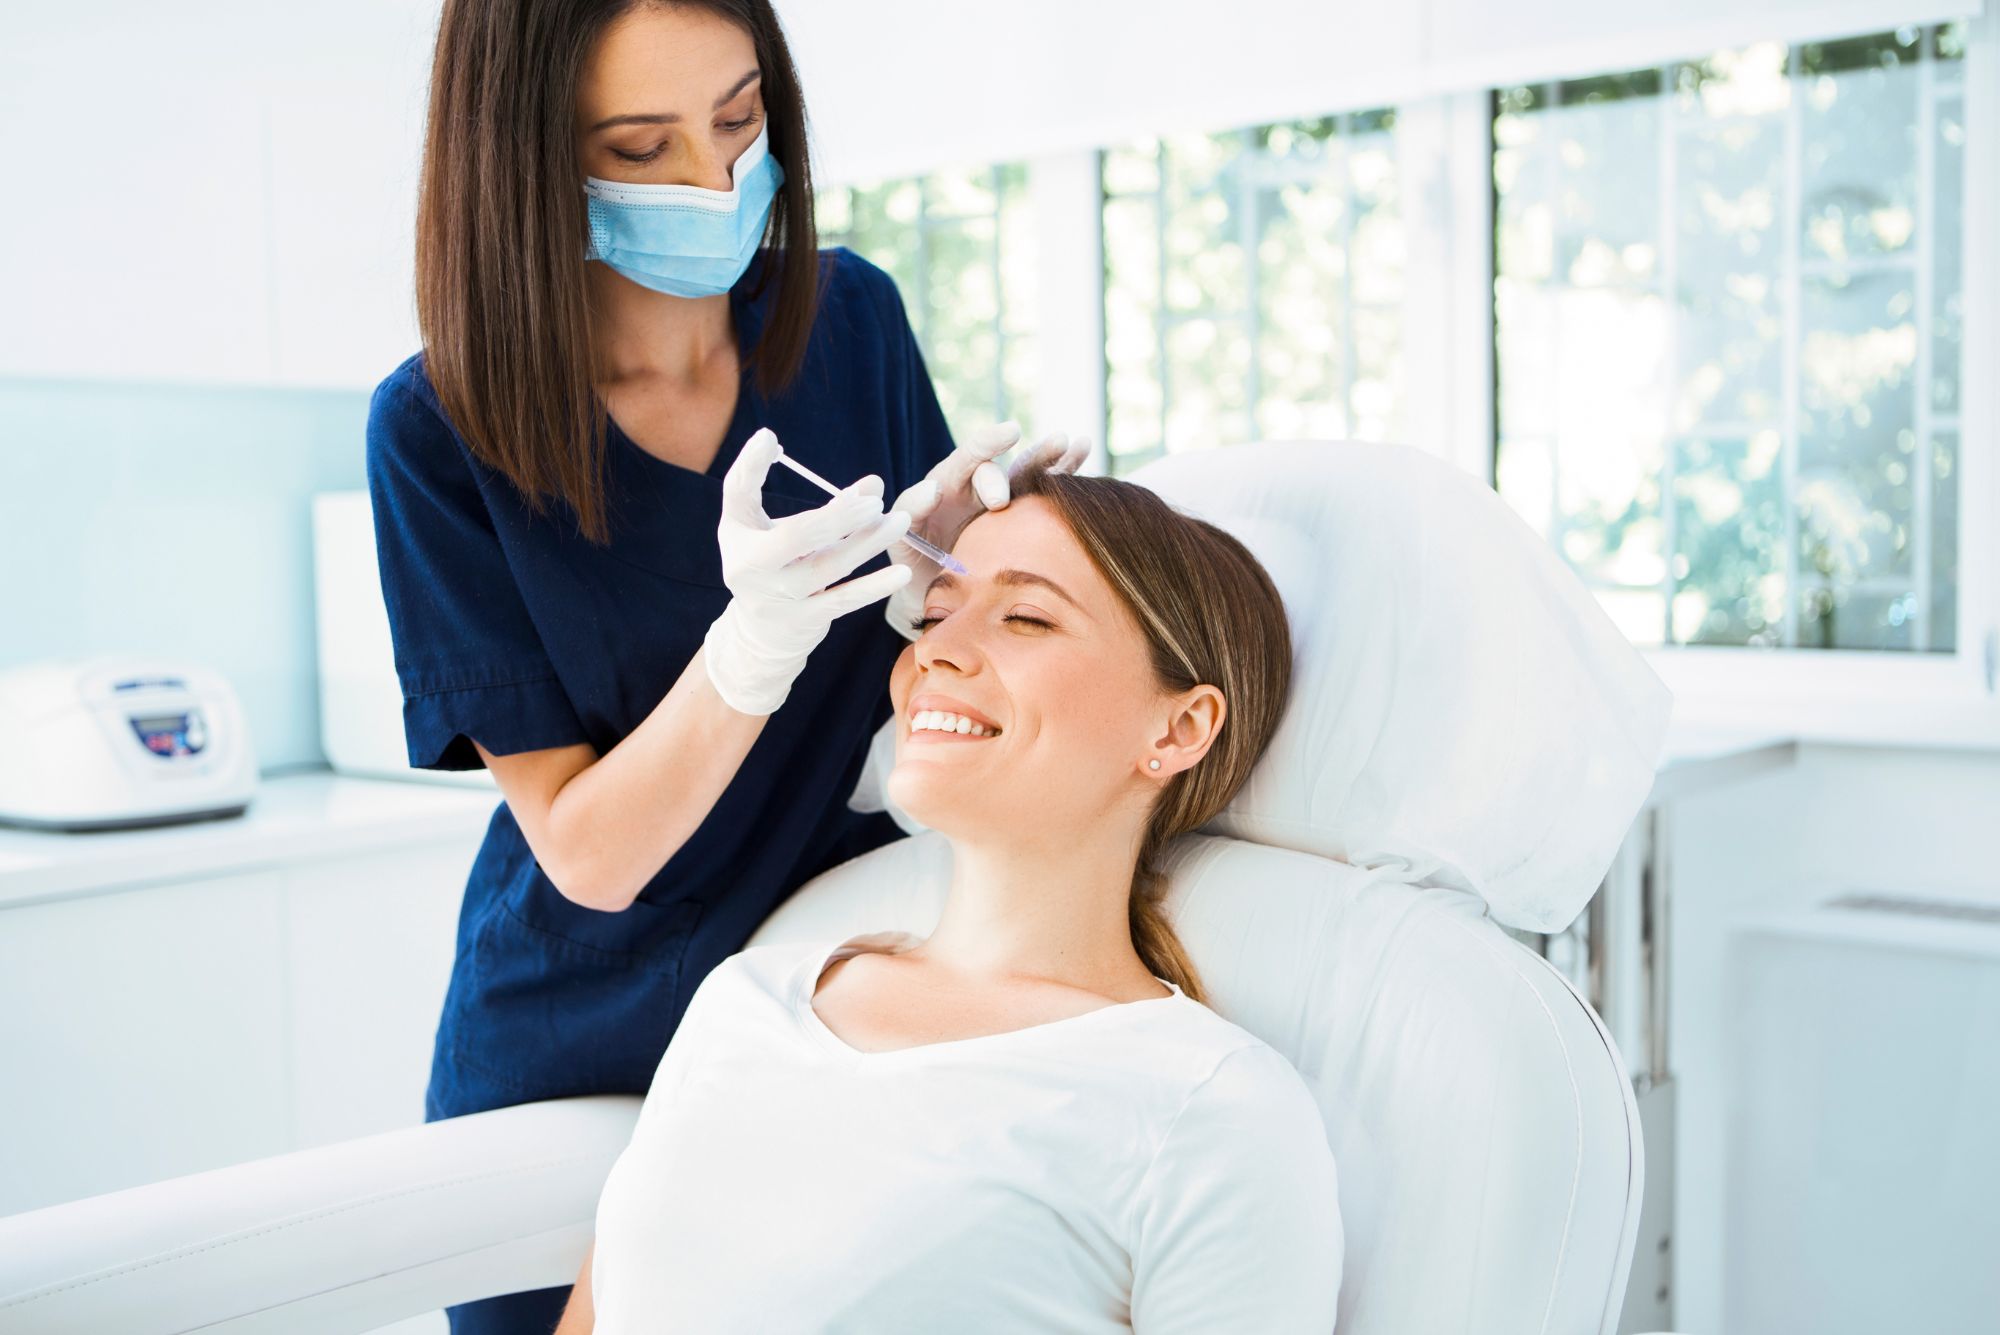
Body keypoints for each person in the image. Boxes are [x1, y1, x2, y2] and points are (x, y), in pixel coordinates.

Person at [363, 3, 1086, 1331]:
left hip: (803, 1012)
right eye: (642, 146)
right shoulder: (438, 429)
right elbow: (586, 851)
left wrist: (942, 579)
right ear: (525, 161)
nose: (713, 180)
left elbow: (911, 665)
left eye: (740, 119)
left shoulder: (847, 318)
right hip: (575, 1043)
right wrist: (748, 649)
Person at [557, 457, 1345, 1332]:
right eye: (935, 614)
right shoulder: (749, 994)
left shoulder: (1210, 1113)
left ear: (1180, 725)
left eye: (1027, 615)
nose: (934, 649)